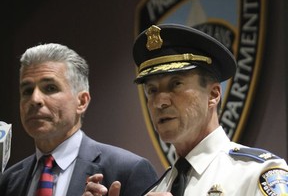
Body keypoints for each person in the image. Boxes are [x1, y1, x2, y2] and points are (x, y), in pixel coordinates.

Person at [83, 24, 288, 196]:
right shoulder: (157, 189)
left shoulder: (258, 173)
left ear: (214, 94)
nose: (159, 101)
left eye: (176, 84)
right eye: (152, 90)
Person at [0, 43, 158, 196]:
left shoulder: (128, 171)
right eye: (27, 90)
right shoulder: (8, 181)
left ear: (82, 101)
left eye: (50, 88)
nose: (35, 99)